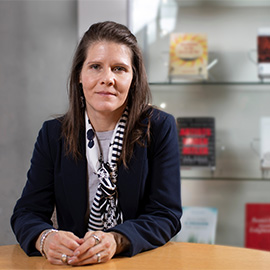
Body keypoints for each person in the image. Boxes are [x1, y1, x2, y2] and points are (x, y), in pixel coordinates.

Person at [11, 21, 182, 266]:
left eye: (119, 69)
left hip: (139, 262)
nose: (107, 79)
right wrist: (45, 238)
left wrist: (117, 239)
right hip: (75, 262)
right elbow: (27, 213)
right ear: (79, 75)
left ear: (134, 79)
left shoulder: (158, 128)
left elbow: (166, 215)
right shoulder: (53, 134)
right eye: (95, 67)